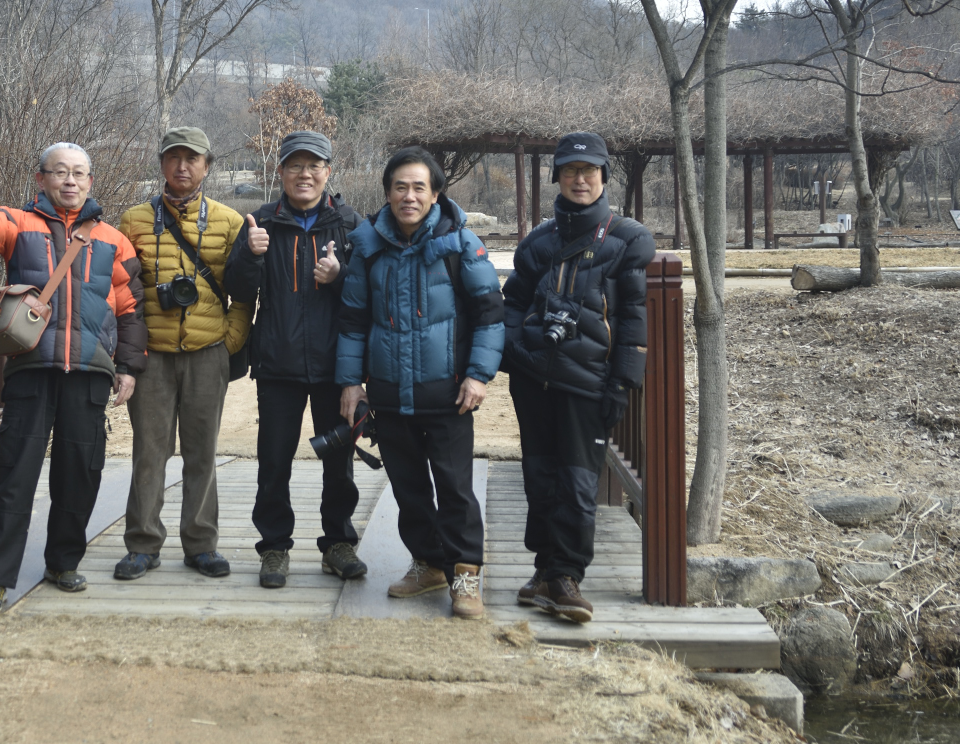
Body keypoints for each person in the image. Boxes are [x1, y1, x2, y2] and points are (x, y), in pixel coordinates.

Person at [0, 143, 148, 612]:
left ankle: (63, 563)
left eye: (79, 173)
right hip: (31, 369)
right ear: (41, 178)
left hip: (89, 372)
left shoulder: (114, 239)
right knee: (14, 476)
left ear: (90, 181)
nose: (70, 181)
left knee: (80, 474)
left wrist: (128, 367)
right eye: (60, 172)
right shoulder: (18, 224)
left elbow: (131, 308)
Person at [336, 146, 504, 619]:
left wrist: (478, 375)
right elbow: (352, 321)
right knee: (408, 489)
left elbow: (490, 314)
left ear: (435, 194)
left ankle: (465, 574)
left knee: (454, 488)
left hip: (448, 393)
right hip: (389, 393)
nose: (408, 196)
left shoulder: (461, 243)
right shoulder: (368, 246)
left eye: (418, 187)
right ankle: (428, 563)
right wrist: (351, 383)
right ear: (387, 193)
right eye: (399, 187)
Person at [500, 131, 655, 624]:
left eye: (589, 171)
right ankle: (545, 571)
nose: (580, 179)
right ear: (558, 178)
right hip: (533, 379)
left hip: (588, 381)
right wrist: (515, 349)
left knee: (577, 481)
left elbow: (633, 321)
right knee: (539, 477)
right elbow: (512, 302)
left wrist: (622, 383)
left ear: (604, 176)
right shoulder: (538, 242)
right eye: (570, 171)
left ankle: (567, 575)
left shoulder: (629, 239)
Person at [227, 130, 366, 590]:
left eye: (314, 166)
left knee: (339, 461)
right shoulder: (261, 222)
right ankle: (274, 547)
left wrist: (340, 275)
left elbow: (369, 293)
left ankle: (339, 543)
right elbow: (238, 289)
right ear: (281, 171)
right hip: (277, 363)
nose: (305, 174)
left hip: (336, 366)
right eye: (295, 166)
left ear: (328, 172)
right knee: (274, 461)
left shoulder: (350, 224)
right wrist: (250, 255)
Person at [115, 127, 252, 580]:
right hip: (152, 356)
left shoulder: (229, 222)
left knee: (202, 452)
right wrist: (129, 352)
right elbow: (122, 292)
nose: (182, 166)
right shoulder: (133, 221)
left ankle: (201, 544)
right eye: (173, 157)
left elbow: (243, 293)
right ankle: (142, 544)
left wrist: (229, 342)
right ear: (161, 164)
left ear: (207, 166)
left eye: (192, 158)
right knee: (149, 451)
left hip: (207, 353)